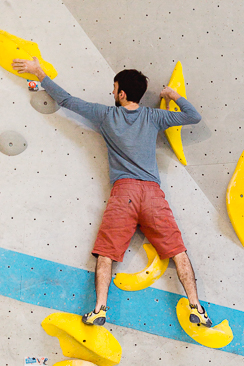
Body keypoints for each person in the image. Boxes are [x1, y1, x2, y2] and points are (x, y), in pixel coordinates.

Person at [12, 56, 212, 328]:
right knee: (178, 251)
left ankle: (99, 309)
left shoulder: (106, 115)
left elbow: (67, 100)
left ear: (121, 93)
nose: (112, 92)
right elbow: (193, 116)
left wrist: (39, 73)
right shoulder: (154, 116)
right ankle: (197, 307)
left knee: (106, 253)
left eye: (114, 88)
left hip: (124, 193)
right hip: (153, 194)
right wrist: (172, 95)